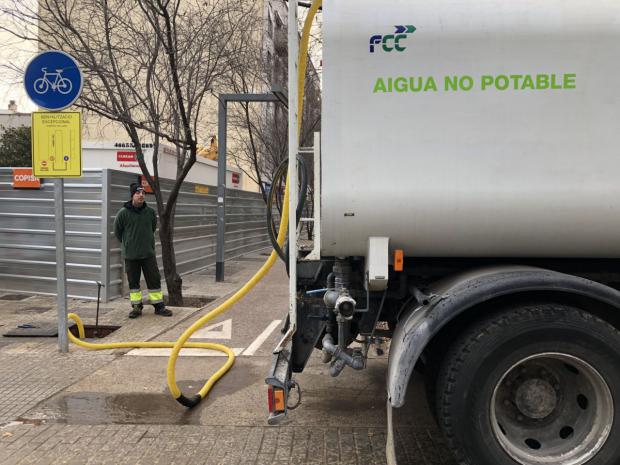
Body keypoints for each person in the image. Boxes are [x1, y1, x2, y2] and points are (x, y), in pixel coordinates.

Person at [113, 182, 172, 318]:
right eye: (138, 193)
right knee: (133, 283)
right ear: (132, 195)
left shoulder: (150, 213)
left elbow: (152, 228)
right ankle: (136, 307)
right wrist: (128, 243)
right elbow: (117, 231)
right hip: (131, 255)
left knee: (154, 280)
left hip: (148, 254)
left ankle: (158, 306)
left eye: (143, 193)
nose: (141, 195)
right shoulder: (123, 213)